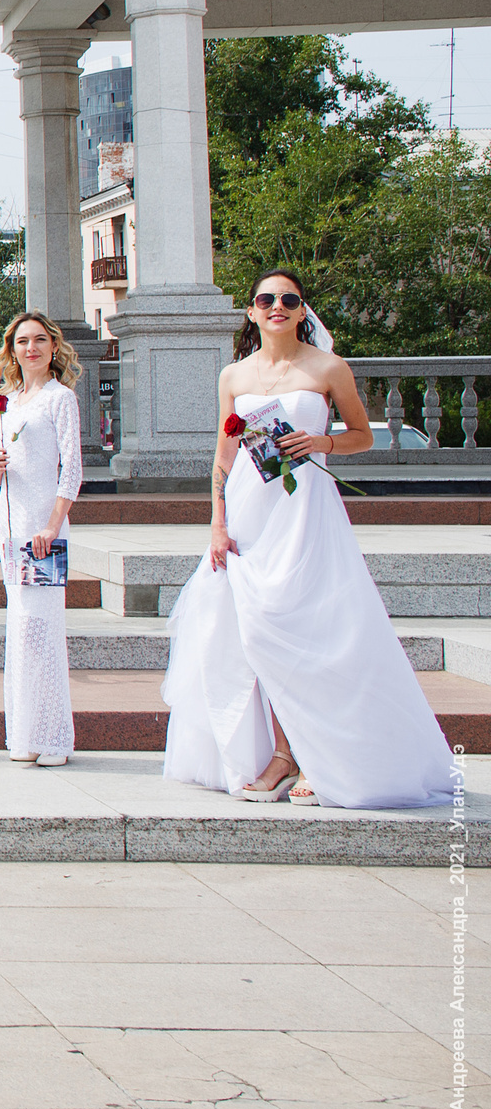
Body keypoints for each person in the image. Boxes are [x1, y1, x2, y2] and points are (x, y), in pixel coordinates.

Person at [161, 270, 456, 810]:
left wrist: (320, 441)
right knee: (254, 631)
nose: (277, 306)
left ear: (302, 312)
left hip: (306, 516)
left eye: (289, 299)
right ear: (251, 312)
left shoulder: (327, 367)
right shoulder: (233, 376)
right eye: (266, 299)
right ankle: (279, 753)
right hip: (250, 517)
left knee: (310, 630)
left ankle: (314, 754)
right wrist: (218, 524)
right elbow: (223, 457)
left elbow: (363, 435)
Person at [0, 311, 81, 767]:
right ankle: (24, 734)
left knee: (43, 629)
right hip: (10, 529)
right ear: (13, 350)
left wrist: (51, 525)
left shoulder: (60, 399)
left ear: (53, 347)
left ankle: (55, 737)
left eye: (40, 340)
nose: (31, 349)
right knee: (20, 629)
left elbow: (73, 471)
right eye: (23, 342)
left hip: (43, 531)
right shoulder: (9, 401)